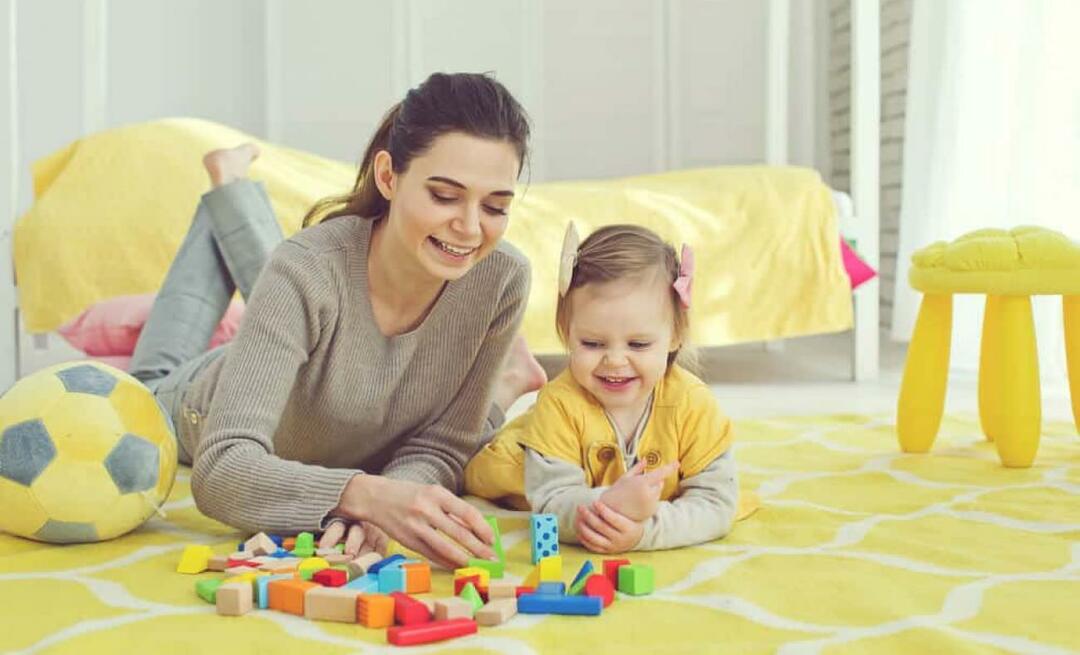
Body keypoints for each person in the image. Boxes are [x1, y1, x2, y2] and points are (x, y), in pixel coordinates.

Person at [130, 72, 547, 569]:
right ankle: (229, 191)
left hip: (327, 414)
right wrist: (363, 495)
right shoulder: (306, 267)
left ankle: (230, 191)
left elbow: (439, 447)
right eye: (444, 196)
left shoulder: (501, 279)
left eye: (496, 206)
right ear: (388, 177)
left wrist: (390, 503)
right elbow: (222, 471)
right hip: (199, 403)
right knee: (143, 385)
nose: (471, 227)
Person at [464, 223, 743, 552]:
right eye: (593, 343)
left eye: (638, 344)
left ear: (676, 336)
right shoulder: (559, 405)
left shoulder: (693, 405)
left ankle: (516, 378)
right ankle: (507, 389)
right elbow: (553, 504)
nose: (614, 360)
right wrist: (609, 506)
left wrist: (644, 533)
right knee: (467, 466)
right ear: (567, 332)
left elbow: (717, 504)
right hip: (518, 461)